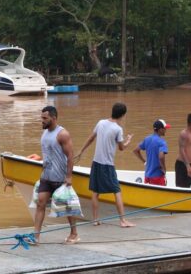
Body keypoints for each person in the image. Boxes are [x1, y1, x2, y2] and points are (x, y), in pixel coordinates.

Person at [75, 102, 135, 227]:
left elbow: (91, 138)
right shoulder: (118, 129)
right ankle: (123, 221)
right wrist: (128, 140)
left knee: (95, 192)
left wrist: (81, 151)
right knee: (117, 190)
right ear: (123, 115)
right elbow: (122, 148)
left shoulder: (101, 122)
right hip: (107, 165)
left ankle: (95, 220)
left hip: (96, 162)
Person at [33, 106, 78, 245]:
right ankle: (36, 237)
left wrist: (69, 176)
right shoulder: (44, 133)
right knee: (40, 203)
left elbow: (70, 156)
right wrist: (41, 160)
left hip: (60, 177)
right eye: (42, 118)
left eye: (45, 118)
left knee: (66, 207)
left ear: (53, 118)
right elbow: (49, 152)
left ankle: (74, 233)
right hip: (46, 176)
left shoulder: (62, 134)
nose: (42, 120)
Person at [133, 119, 170, 186]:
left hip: (147, 176)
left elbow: (136, 151)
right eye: (164, 128)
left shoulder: (147, 139)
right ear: (160, 129)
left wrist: (144, 162)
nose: (166, 130)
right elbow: (161, 156)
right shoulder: (162, 142)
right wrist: (164, 169)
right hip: (158, 177)